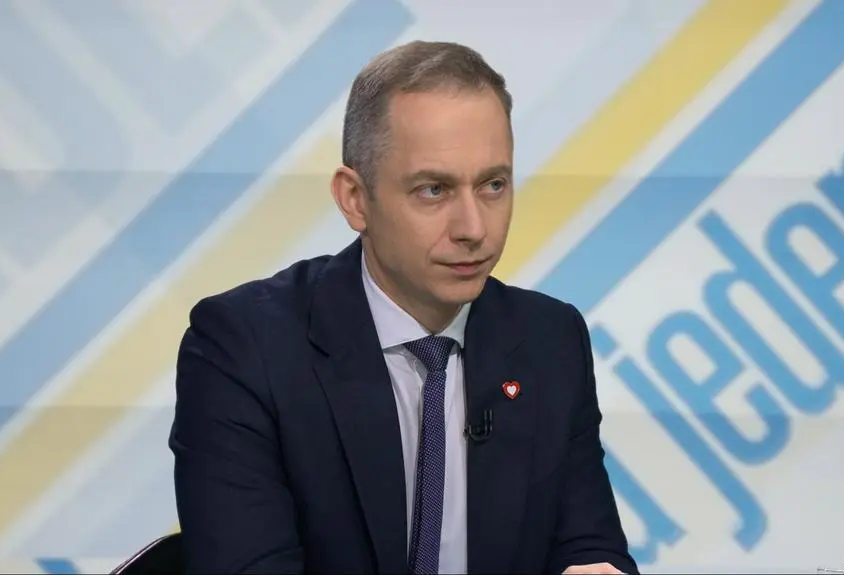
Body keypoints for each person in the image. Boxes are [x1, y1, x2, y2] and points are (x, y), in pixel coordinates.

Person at [169, 40, 637, 575]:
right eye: (433, 190)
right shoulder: (243, 348)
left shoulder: (549, 340)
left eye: (493, 185)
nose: (473, 229)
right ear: (355, 199)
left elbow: (587, 545)